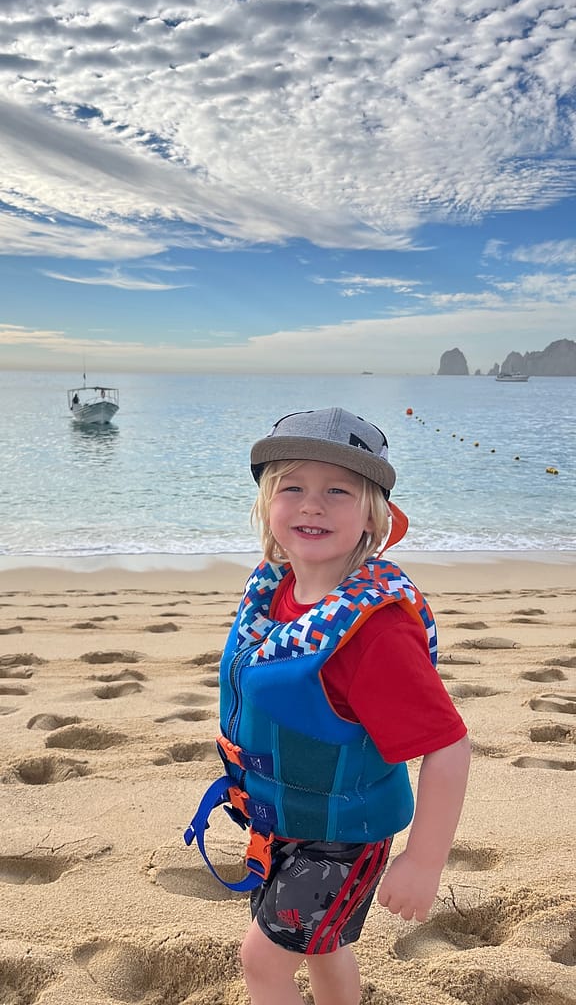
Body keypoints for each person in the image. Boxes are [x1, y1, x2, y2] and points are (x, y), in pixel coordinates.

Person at [185, 407, 470, 1005]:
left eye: (337, 490)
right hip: (283, 818)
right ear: (267, 504)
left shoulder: (376, 635)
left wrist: (423, 860)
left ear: (377, 516)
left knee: (262, 960)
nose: (312, 505)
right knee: (325, 944)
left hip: (342, 833)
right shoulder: (277, 592)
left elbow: (447, 745)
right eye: (292, 487)